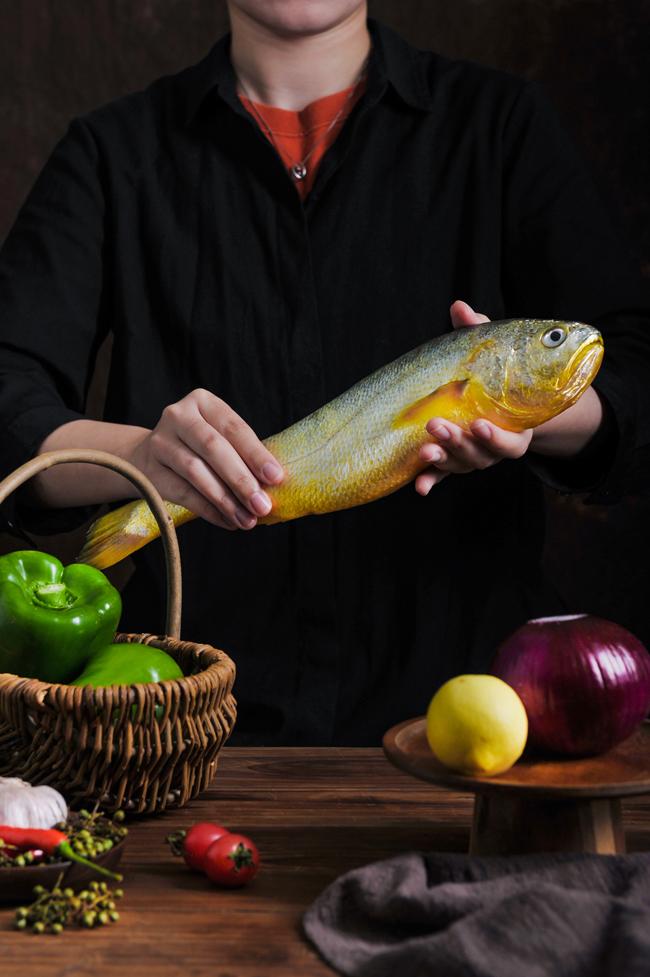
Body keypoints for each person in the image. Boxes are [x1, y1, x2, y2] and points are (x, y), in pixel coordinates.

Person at [0, 1, 648, 745]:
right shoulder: (110, 154)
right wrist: (144, 459)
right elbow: (6, 390)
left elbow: (636, 371)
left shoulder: (502, 126)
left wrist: (525, 419)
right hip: (176, 731)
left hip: (476, 738)